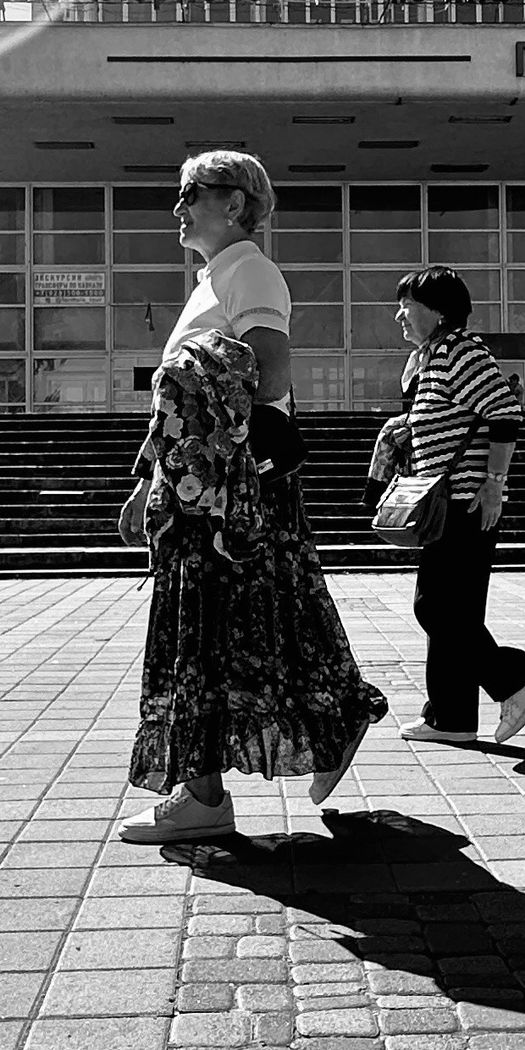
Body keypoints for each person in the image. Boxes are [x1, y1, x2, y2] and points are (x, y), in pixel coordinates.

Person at [119, 148, 385, 841]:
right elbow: (186, 405)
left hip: (235, 493)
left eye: (189, 194)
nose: (176, 208)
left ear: (233, 203)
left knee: (209, 633)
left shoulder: (249, 270)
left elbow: (266, 377)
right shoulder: (215, 278)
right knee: (263, 625)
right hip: (204, 492)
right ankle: (322, 728)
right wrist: (148, 481)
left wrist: (194, 386)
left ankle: (203, 796)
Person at [369, 266, 525, 749]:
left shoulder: (461, 352)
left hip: (468, 503)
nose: (399, 315)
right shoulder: (431, 359)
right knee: (453, 612)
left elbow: (504, 413)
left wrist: (494, 484)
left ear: (438, 310)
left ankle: (514, 682)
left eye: (407, 305)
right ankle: (452, 717)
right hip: (445, 503)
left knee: (437, 608)